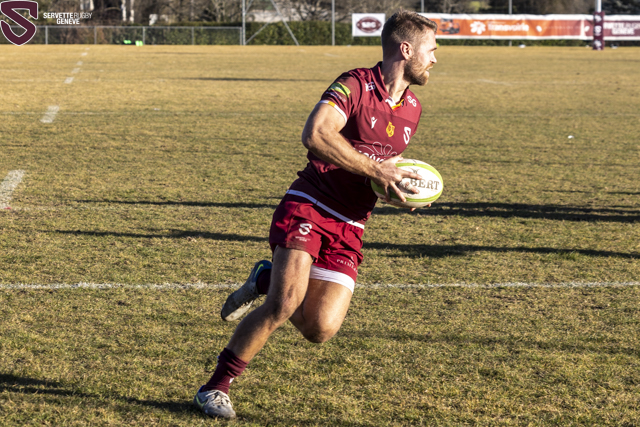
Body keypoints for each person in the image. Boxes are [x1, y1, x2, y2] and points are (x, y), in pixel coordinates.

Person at [193, 10, 438, 419]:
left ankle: (265, 278)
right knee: (283, 305)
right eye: (431, 50)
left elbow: (380, 173)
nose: (435, 59)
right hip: (310, 203)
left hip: (352, 223)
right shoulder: (356, 84)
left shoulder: (412, 107)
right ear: (406, 49)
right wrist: (376, 169)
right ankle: (214, 387)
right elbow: (316, 134)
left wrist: (403, 193)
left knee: (319, 329)